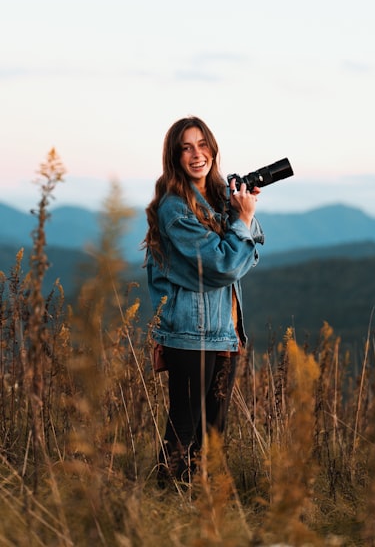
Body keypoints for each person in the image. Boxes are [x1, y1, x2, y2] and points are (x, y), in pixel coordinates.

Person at [143, 116, 264, 485]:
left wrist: (239, 212)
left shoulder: (214, 200)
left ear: (213, 148)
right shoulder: (175, 208)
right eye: (186, 148)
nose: (197, 155)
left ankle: (196, 515)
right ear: (174, 157)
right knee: (182, 433)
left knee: (212, 438)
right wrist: (241, 221)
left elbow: (251, 252)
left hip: (225, 333)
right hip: (192, 334)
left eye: (202, 145)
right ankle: (161, 507)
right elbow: (226, 264)